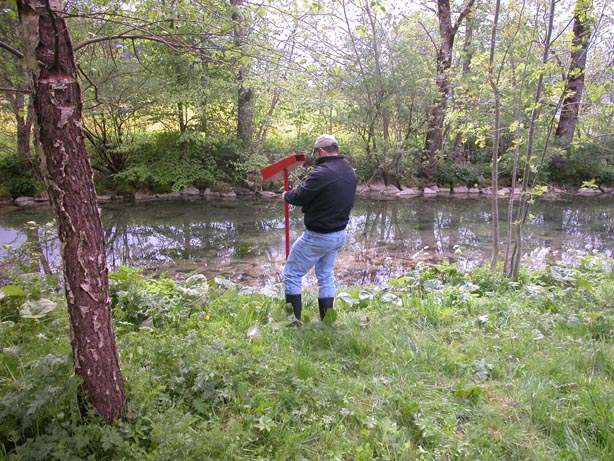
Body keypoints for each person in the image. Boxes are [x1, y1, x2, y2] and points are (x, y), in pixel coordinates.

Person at [281, 134, 358, 323]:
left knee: (292, 273)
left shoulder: (322, 173)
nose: (316, 156)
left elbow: (300, 196)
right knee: (325, 275)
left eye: (316, 153)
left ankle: (293, 322)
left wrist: (286, 195)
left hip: (318, 236)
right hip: (339, 234)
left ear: (322, 151)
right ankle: (327, 321)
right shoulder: (348, 169)